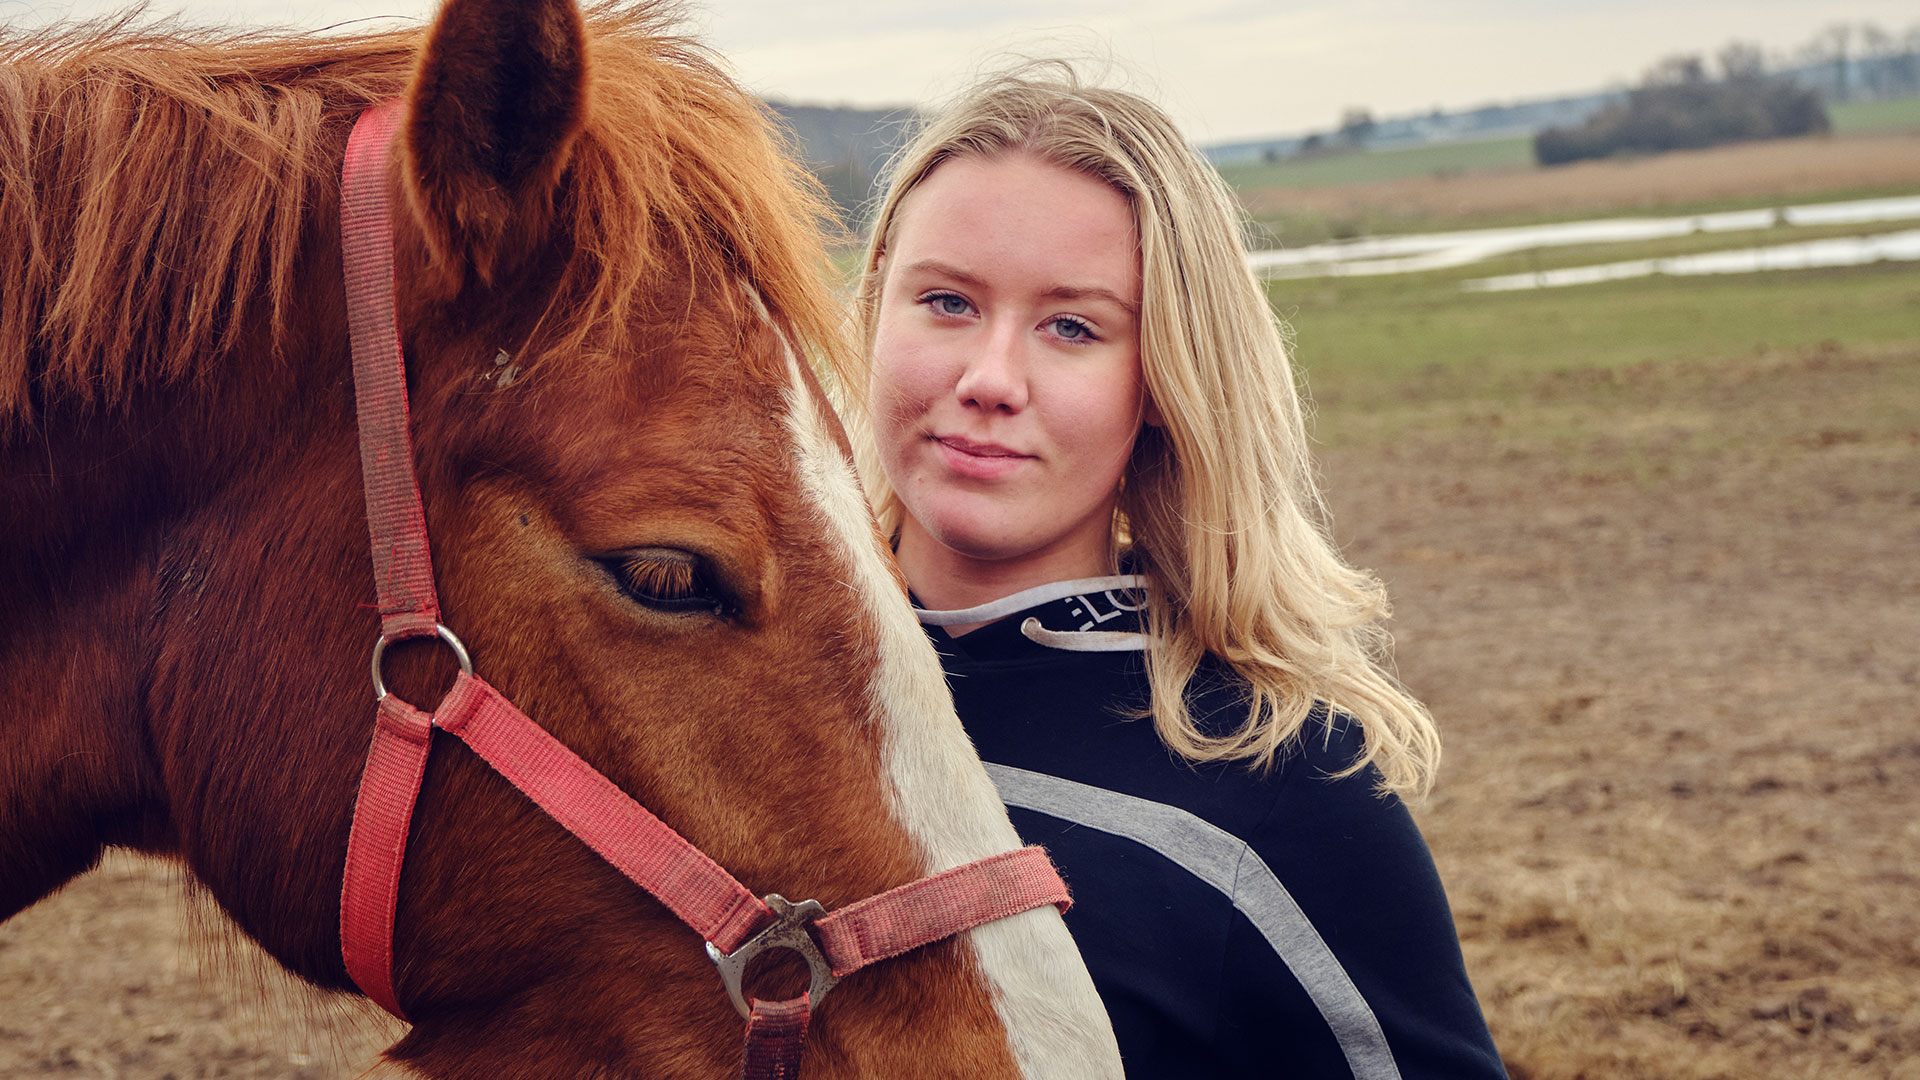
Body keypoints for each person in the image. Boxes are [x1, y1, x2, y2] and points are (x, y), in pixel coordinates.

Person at [841, 64, 1508, 1078]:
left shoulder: (1281, 783)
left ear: (1160, 375)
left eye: (1073, 326)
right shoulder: (720, 693)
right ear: (875, 304)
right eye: (945, 301)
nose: (989, 379)